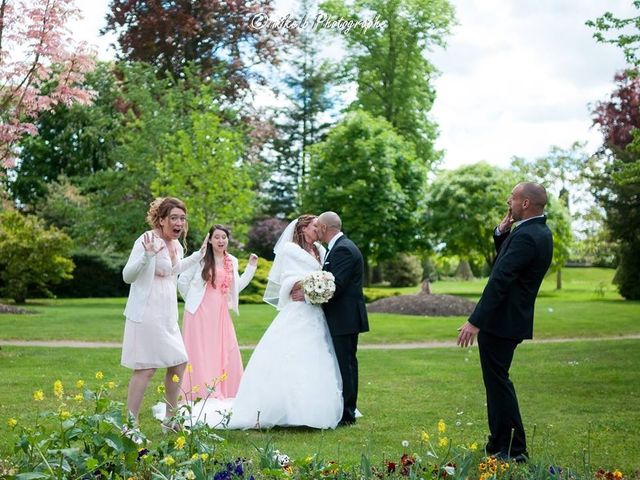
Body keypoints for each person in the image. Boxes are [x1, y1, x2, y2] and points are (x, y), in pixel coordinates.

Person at [190, 214, 343, 430]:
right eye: (314, 226)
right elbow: (288, 278)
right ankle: (283, 410)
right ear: (302, 229)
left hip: (315, 311)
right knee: (291, 357)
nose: (318, 229)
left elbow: (324, 275)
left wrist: (319, 287)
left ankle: (312, 410)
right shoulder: (290, 250)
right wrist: (306, 285)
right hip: (298, 310)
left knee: (317, 357)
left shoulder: (320, 250)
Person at [457, 182, 553, 462]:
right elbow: (507, 262)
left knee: (498, 383)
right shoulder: (536, 232)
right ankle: (499, 441)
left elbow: (500, 279)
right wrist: (501, 233)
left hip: (502, 321)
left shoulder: (528, 236)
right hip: (510, 319)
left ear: (525, 203)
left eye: (512, 198)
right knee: (496, 382)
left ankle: (514, 448)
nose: (508, 202)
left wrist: (475, 321)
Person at [121, 197, 205, 428]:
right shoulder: (146, 240)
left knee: (178, 362)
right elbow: (127, 276)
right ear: (161, 219)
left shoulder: (176, 245)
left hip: (166, 315)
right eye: (174, 218)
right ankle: (130, 424)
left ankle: (170, 417)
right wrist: (146, 256)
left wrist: (198, 256)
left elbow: (172, 270)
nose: (179, 223)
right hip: (147, 313)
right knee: (145, 369)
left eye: (182, 218)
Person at [178, 225, 258, 401]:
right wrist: (191, 300)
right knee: (200, 351)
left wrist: (251, 268)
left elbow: (236, 287)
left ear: (228, 239)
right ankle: (199, 392)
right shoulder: (198, 258)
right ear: (210, 240)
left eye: (224, 237)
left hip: (220, 312)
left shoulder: (233, 261)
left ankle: (224, 389)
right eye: (216, 237)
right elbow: (182, 281)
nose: (220, 240)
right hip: (198, 312)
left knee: (222, 349)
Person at [313, 211, 369, 426]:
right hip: (342, 317)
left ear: (325, 228)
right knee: (344, 363)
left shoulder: (344, 249)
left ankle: (347, 413)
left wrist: (309, 295)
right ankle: (345, 409)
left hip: (344, 318)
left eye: (318, 226)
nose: (316, 230)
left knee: (346, 364)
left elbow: (336, 285)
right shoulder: (337, 247)